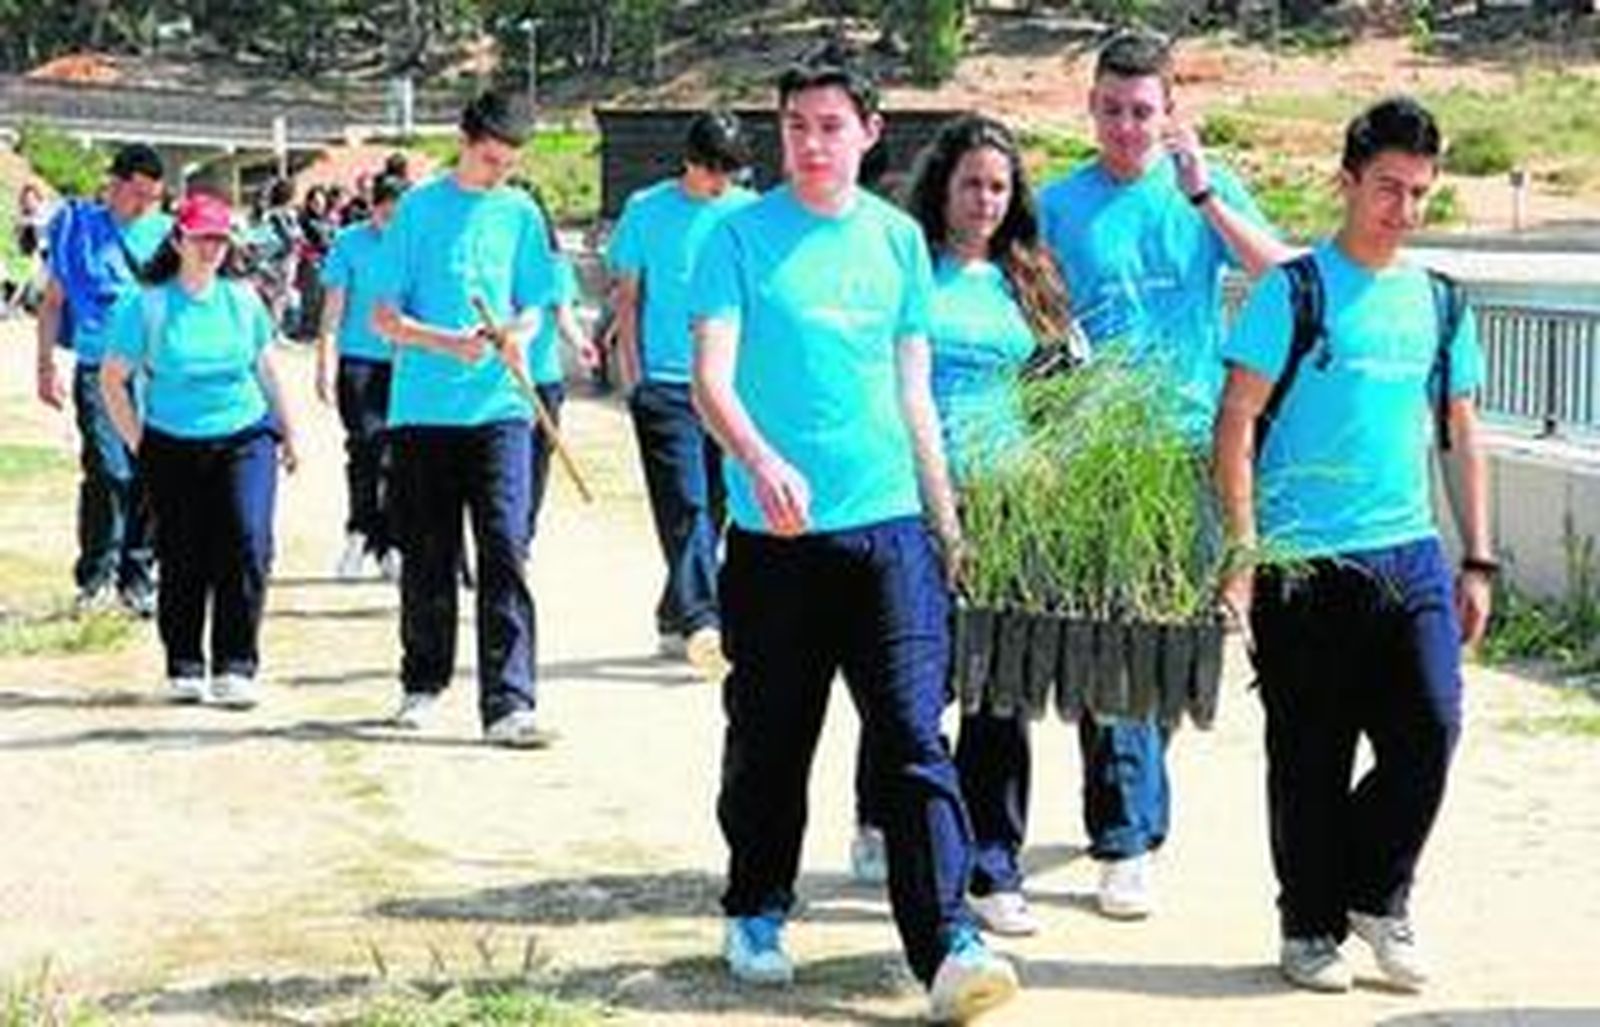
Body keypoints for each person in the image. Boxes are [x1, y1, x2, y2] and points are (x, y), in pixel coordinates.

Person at [690, 50, 1019, 1022]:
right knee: (771, 734)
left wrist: (943, 517)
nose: (812, 144)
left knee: (915, 733)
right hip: (775, 536)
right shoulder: (737, 238)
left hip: (888, 529)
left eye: (831, 126)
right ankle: (755, 904)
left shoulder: (895, 244)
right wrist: (757, 457)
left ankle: (948, 942)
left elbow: (913, 390)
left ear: (868, 134)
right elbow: (711, 379)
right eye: (796, 126)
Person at [1215, 96, 1491, 995]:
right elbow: (1237, 422)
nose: (1402, 209)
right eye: (1386, 187)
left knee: (1432, 729)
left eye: (1418, 192)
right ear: (1347, 182)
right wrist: (1245, 554)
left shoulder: (1440, 302)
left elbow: (1460, 429)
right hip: (1305, 561)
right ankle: (1308, 925)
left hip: (1408, 552)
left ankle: (1378, 896)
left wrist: (1477, 557)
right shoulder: (1292, 292)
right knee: (1309, 753)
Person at [1035, 29, 1292, 919]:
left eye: (1143, 111)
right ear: (1091, 108)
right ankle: (1126, 837)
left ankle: (1134, 803)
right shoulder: (1059, 205)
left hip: (1197, 450)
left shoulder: (1201, 195)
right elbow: (1029, 313)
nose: (1125, 126)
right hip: (1099, 454)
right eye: (1110, 109)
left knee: (1176, 646)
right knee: (1114, 640)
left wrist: (1207, 195)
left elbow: (1292, 280)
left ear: (1170, 113)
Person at [857, 113, 1083, 937]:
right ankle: (885, 813)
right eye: (970, 184)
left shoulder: (1032, 277)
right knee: (912, 682)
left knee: (1002, 689)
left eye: (999, 186)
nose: (985, 200)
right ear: (941, 187)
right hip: (911, 497)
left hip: (1012, 501)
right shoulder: (907, 264)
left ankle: (992, 863)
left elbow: (1059, 389)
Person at [372, 90, 559, 748]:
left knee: (506, 546)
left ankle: (510, 700)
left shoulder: (520, 212)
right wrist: (445, 341)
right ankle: (423, 680)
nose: (498, 172)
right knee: (429, 553)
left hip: (501, 407)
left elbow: (538, 300)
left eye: (508, 162)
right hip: (423, 409)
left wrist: (518, 334)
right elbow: (384, 316)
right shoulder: (418, 209)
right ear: (464, 139)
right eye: (488, 158)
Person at [99, 192, 299, 708]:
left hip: (245, 433)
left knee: (248, 540)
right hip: (171, 439)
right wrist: (140, 442)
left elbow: (267, 369)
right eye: (201, 237)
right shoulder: (147, 304)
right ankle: (185, 661)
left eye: (218, 238)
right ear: (178, 239)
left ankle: (236, 664)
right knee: (184, 551)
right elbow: (113, 380)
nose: (211, 247)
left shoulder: (243, 299)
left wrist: (289, 431)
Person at [606, 110, 756, 673]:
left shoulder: (745, 213)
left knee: (717, 506)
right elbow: (626, 296)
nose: (723, 184)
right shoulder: (646, 210)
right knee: (684, 504)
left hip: (732, 387)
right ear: (690, 162)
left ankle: (673, 612)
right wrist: (633, 377)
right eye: (715, 172)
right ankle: (702, 620)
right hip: (666, 384)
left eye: (732, 174)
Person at [34, 143, 174, 616]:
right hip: (97, 368)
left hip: (155, 372)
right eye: (136, 194)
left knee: (150, 471)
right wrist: (45, 364)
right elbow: (53, 302)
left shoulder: (167, 234)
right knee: (108, 468)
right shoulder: (77, 229)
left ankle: (138, 574)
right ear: (113, 185)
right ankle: (96, 574)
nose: (143, 206)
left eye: (152, 198)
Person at [317, 173, 408, 581]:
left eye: (395, 211)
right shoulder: (349, 242)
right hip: (359, 360)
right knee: (366, 448)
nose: (387, 218)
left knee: (398, 455)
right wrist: (324, 359)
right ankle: (359, 533)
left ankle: (391, 540)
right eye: (382, 208)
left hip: (407, 361)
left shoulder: (417, 244)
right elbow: (334, 305)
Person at [520, 187, 599, 541]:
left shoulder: (555, 265)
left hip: (543, 377)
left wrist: (582, 344)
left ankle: (523, 536)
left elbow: (565, 315)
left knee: (537, 462)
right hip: (497, 380)